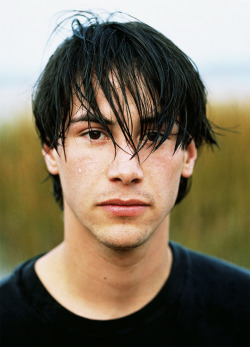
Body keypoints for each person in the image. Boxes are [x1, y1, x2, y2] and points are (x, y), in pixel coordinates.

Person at [0, 11, 249, 347]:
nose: (127, 169)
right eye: (94, 133)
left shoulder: (239, 311)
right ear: (51, 151)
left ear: (189, 155)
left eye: (155, 135)